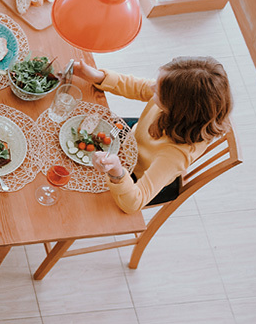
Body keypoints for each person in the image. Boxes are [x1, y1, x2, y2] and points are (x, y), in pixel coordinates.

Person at [80, 56, 232, 213]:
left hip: (134, 177)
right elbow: (140, 87)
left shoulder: (175, 154)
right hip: (132, 140)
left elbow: (133, 203)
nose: (151, 87)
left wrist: (117, 172)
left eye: (157, 91)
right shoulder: (178, 103)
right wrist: (100, 77)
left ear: (175, 109)